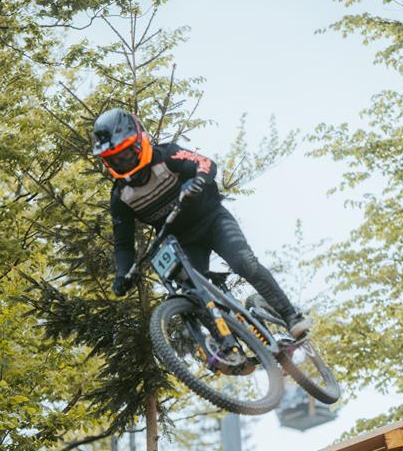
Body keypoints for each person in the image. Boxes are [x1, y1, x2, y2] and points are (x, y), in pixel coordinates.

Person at [92, 108, 309, 337]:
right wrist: (122, 274)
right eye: (114, 159)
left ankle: (290, 315)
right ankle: (229, 345)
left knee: (243, 262)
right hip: (181, 242)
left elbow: (205, 164)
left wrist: (197, 181)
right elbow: (123, 244)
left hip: (212, 221)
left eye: (125, 153)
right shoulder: (121, 196)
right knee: (194, 295)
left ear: (139, 142)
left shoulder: (166, 156)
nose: (122, 161)